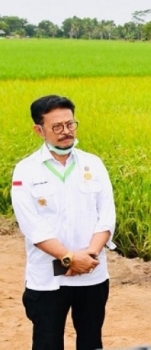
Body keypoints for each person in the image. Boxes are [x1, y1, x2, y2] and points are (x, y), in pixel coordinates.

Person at [11, 94, 116, 350]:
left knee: (91, 341)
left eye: (70, 124)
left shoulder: (93, 163)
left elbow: (107, 215)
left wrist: (88, 256)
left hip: (92, 274)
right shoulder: (26, 170)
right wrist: (69, 258)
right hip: (48, 278)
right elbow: (32, 226)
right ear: (39, 130)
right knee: (47, 342)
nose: (66, 132)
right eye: (57, 127)